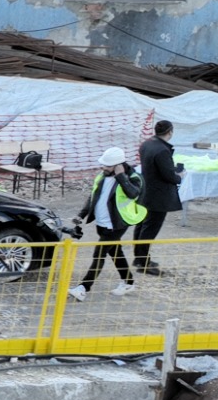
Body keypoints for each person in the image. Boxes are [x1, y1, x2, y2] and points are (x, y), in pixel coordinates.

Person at [74, 147, 147, 300]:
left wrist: (121, 176)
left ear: (118, 165)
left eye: (107, 165)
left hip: (117, 224)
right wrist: (81, 215)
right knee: (115, 252)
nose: (103, 168)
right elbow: (93, 196)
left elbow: (133, 193)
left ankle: (83, 287)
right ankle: (128, 282)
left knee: (99, 254)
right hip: (101, 223)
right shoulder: (102, 176)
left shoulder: (133, 177)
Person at [135, 120, 184, 275]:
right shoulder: (162, 150)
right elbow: (168, 175)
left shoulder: (147, 144)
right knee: (150, 229)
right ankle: (143, 262)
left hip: (146, 190)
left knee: (142, 225)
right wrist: (179, 176)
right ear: (170, 132)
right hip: (158, 195)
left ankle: (139, 257)